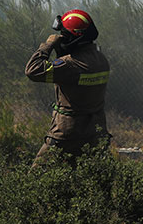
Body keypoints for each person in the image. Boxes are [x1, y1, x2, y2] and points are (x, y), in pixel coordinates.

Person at [26, 9, 111, 165]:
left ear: (71, 38)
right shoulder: (101, 60)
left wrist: (48, 45)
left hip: (67, 133)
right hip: (96, 131)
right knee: (89, 181)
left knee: (38, 178)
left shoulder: (70, 64)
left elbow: (33, 70)